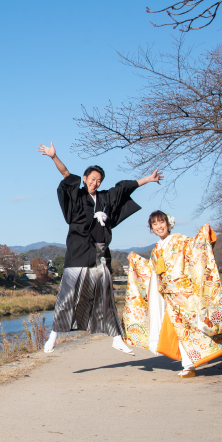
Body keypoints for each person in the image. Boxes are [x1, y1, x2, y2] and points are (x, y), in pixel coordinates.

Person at [37, 141, 163, 354]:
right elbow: (67, 174)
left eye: (99, 180)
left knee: (105, 295)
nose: (95, 183)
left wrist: (148, 180)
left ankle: (116, 337)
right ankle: (53, 336)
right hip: (77, 252)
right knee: (68, 294)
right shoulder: (77, 195)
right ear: (85, 179)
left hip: (99, 253)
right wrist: (53, 157)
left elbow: (124, 187)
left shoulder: (105, 198)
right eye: (92, 179)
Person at [123, 211, 222, 378]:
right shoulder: (156, 249)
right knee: (181, 331)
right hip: (169, 296)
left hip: (185, 292)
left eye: (161, 222)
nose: (159, 226)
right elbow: (151, 271)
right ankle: (188, 365)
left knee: (197, 324)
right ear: (151, 228)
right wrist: (135, 260)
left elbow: (195, 249)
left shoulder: (179, 240)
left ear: (168, 223)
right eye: (154, 224)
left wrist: (203, 235)